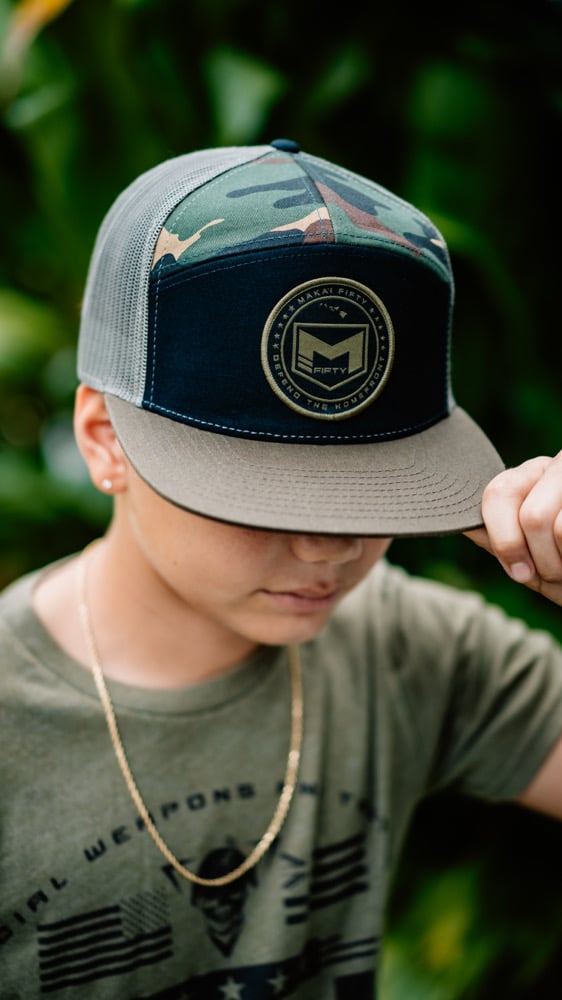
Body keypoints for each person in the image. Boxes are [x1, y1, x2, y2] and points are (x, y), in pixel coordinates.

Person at [1, 138, 561, 999]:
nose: (328, 548)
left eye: (374, 495)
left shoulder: (408, 646)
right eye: (262, 499)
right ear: (105, 441)